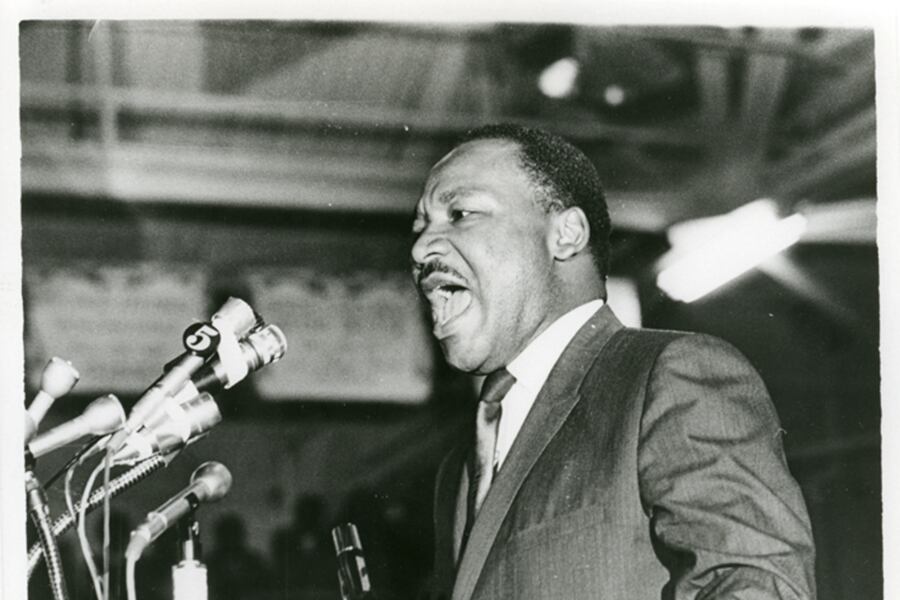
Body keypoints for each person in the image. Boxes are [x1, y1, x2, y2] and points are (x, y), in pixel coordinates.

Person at [410, 124, 816, 600]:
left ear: (566, 234)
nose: (419, 249)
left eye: (460, 214)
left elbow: (756, 586)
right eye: (420, 227)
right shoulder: (461, 468)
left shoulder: (671, 377)